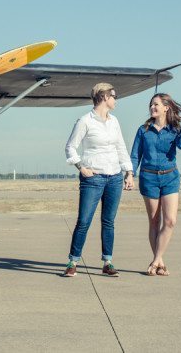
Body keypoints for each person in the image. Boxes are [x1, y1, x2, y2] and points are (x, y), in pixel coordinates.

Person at [63, 83, 135, 277]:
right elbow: (70, 147)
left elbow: (121, 148)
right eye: (114, 96)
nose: (116, 99)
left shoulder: (114, 122)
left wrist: (129, 172)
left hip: (114, 178)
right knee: (84, 221)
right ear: (104, 97)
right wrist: (80, 166)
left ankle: (108, 262)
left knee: (109, 221)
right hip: (93, 179)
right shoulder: (85, 121)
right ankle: (73, 261)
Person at [129, 93, 181, 276]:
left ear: (166, 107)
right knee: (154, 221)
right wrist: (130, 174)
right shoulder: (143, 130)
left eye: (156, 104)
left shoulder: (174, 129)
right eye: (151, 105)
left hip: (170, 177)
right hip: (149, 178)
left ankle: (156, 260)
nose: (152, 108)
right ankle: (160, 261)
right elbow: (135, 155)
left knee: (170, 221)